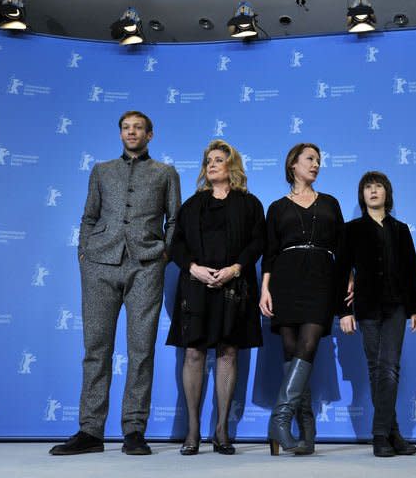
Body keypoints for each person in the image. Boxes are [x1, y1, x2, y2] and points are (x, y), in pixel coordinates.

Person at [50, 111, 181, 456]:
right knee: (96, 350)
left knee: (141, 351)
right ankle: (90, 431)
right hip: (99, 266)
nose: (132, 132)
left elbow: (174, 220)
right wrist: (84, 254)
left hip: (146, 267)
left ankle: (134, 431)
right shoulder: (101, 170)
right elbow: (89, 216)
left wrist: (163, 254)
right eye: (126, 127)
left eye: (138, 127)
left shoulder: (165, 173)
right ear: (120, 133)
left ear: (150, 134)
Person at [166, 140, 265, 455]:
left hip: (234, 287)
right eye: (208, 160)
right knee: (193, 353)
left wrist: (235, 269)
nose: (211, 165)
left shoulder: (249, 204)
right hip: (195, 286)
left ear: (231, 167)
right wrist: (192, 268)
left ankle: (222, 430)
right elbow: (176, 244)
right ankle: (192, 431)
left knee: (228, 353)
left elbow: (258, 242)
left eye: (218, 160)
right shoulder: (192, 205)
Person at [259, 143, 346, 455]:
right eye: (310, 159)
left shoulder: (331, 203)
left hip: (322, 277)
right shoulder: (277, 207)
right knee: (291, 349)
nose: (316, 164)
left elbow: (342, 247)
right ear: (293, 164)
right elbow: (269, 252)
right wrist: (265, 288)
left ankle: (279, 420)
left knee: (308, 345)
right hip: (285, 279)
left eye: (319, 161)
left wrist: (349, 277)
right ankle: (306, 428)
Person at [338, 171, 416, 457]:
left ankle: (379, 434)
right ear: (361, 195)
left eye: (378, 187)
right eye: (367, 187)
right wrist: (344, 311)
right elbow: (341, 273)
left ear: (387, 193)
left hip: (396, 307)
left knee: (389, 367)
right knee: (377, 370)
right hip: (366, 307)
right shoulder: (352, 230)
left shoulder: (400, 230)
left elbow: (412, 271)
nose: (373, 191)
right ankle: (392, 432)